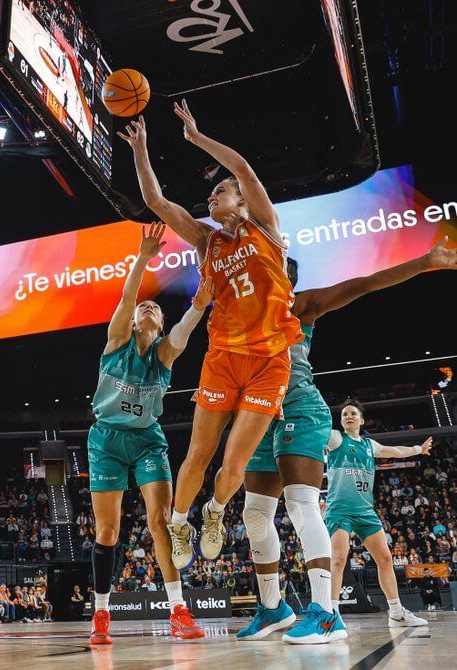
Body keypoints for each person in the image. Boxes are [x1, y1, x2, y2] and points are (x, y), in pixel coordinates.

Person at [237, 238, 457, 643]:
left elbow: (366, 283)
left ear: (284, 276)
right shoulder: (244, 315)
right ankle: (273, 608)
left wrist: (425, 260)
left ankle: (325, 613)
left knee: (301, 502)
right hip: (260, 415)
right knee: (254, 514)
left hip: (301, 409)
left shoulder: (301, 304)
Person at [120, 105, 302, 570]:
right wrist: (141, 149)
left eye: (219, 192)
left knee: (233, 468)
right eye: (211, 193)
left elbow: (241, 169)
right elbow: (158, 203)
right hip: (223, 356)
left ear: (242, 202)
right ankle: (181, 522)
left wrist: (196, 136)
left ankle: (216, 512)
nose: (212, 197)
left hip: (269, 361)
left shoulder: (263, 225)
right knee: (198, 454)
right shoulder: (206, 241)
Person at [86, 223, 213, 645]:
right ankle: (101, 615)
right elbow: (126, 298)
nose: (147, 308)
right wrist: (143, 258)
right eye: (145, 307)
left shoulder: (165, 352)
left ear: (159, 326)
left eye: (155, 309)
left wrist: (197, 305)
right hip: (105, 439)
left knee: (159, 522)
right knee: (108, 533)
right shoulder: (117, 340)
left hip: (146, 441)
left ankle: (179, 609)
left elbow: (185, 331)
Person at [327, 403, 430, 633]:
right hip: (339, 510)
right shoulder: (335, 439)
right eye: (345, 414)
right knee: (338, 560)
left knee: (385, 559)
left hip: (365, 511)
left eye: (353, 414)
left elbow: (395, 451)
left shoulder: (369, 445)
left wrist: (418, 449)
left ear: (362, 421)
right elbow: (315, 432)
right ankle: (332, 615)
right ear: (341, 421)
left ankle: (396, 613)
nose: (349, 416)